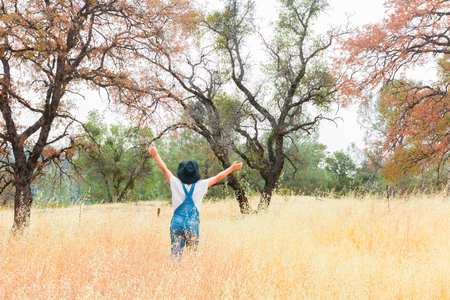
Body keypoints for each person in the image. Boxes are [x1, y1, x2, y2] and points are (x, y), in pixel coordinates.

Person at [148, 145, 243, 260]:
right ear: (195, 175)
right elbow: (218, 177)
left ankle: (175, 274)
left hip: (176, 223)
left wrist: (156, 154)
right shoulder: (201, 185)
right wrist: (232, 168)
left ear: (182, 174)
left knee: (175, 253)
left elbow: (164, 169)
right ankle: (190, 274)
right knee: (192, 255)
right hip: (192, 224)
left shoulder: (175, 183)